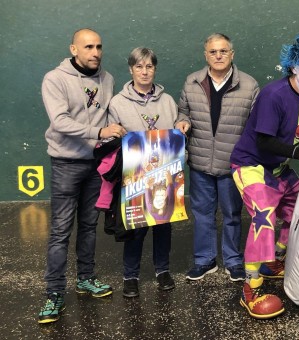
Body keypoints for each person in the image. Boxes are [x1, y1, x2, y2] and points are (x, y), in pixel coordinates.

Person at [229, 34, 299, 319]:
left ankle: (271, 260)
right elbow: (264, 142)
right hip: (251, 166)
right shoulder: (273, 95)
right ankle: (251, 288)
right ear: (293, 66)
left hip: (277, 167)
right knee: (264, 214)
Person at [39, 28, 127, 324]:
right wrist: (99, 132)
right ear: (73, 49)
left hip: (95, 164)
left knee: (89, 226)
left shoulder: (108, 79)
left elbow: (108, 116)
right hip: (65, 163)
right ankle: (53, 293)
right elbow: (60, 121)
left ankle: (86, 278)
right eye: (88, 47)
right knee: (61, 230)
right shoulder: (55, 79)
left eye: (99, 46)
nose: (96, 52)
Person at [108, 47, 191, 298]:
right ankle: (130, 275)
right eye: (139, 67)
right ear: (131, 69)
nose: (144, 72)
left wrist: (180, 125)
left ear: (155, 69)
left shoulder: (166, 101)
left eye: (149, 67)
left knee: (163, 224)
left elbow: (177, 128)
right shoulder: (118, 103)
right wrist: (114, 133)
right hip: (134, 176)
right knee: (136, 226)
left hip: (164, 174)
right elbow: (111, 140)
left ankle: (162, 270)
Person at [178, 33, 259, 282]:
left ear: (232, 54)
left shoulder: (249, 85)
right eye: (213, 52)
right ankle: (205, 260)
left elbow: (255, 125)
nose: (218, 56)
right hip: (201, 162)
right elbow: (183, 112)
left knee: (233, 214)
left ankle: (234, 261)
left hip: (232, 164)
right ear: (206, 55)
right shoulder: (192, 82)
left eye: (223, 51)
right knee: (202, 214)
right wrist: (182, 121)